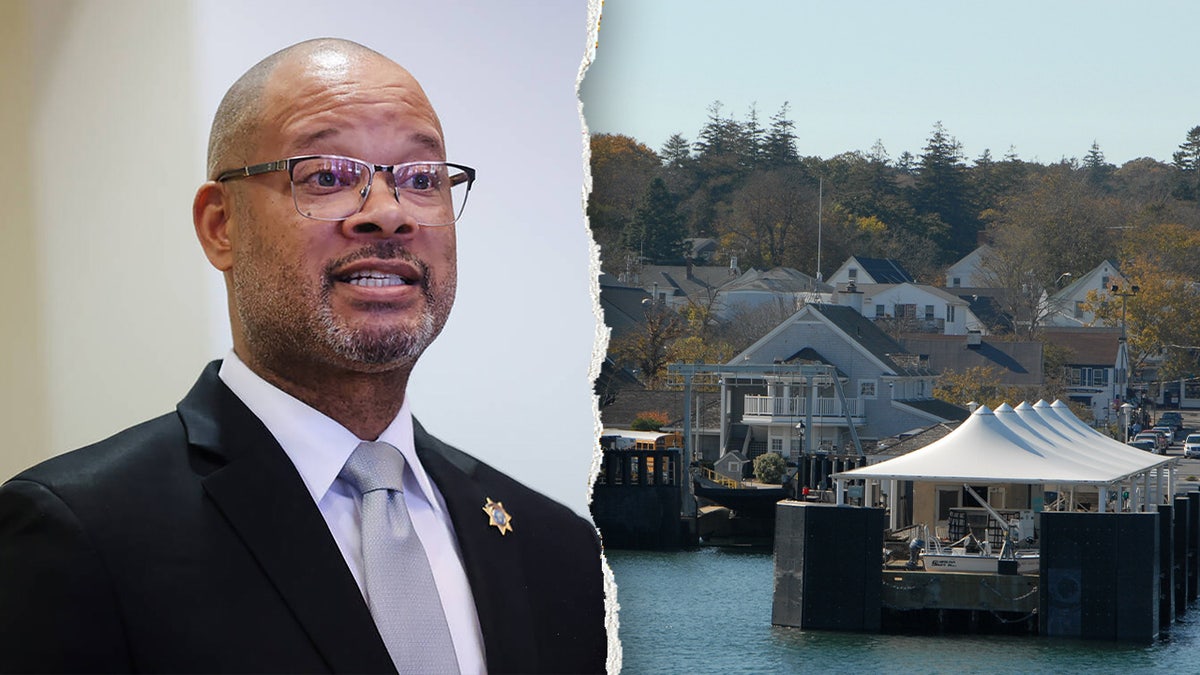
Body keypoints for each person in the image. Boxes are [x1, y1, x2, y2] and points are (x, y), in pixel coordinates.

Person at [0, 38, 607, 674]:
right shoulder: (82, 533)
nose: (388, 215)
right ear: (220, 225)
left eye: (421, 179)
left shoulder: (553, 545)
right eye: (327, 177)